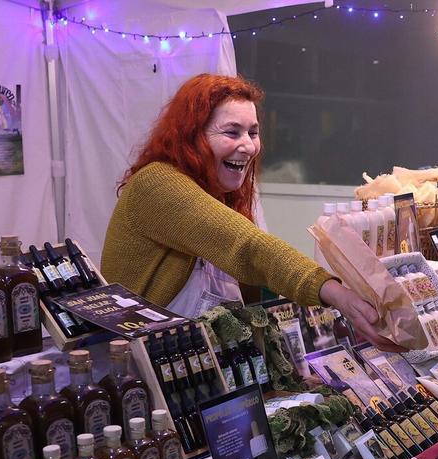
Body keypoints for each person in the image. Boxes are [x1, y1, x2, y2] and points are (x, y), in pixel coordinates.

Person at [101, 74, 402, 352]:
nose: (248, 146)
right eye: (232, 132)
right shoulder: (156, 183)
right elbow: (248, 246)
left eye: (253, 132)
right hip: (148, 366)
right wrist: (335, 293)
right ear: (192, 137)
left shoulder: (222, 194)